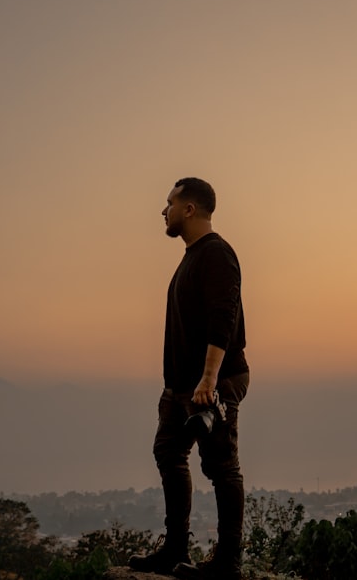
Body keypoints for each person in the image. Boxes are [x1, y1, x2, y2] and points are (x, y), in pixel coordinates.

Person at [129, 178, 250, 580]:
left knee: (220, 467)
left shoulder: (217, 254)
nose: (164, 211)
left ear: (189, 209)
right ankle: (175, 547)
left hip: (213, 383)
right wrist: (176, 385)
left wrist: (208, 381)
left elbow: (224, 318)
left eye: (169, 203)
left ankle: (228, 562)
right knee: (168, 452)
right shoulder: (191, 256)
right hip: (180, 387)